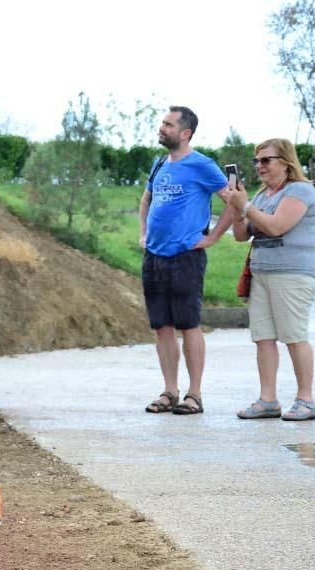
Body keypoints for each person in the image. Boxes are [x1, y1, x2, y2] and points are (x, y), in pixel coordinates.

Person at [140, 106, 235, 415]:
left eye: (168, 124)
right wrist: (144, 235)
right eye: (162, 123)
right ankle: (170, 391)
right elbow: (146, 199)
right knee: (162, 327)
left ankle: (194, 394)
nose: (162, 128)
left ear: (186, 133)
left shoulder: (202, 165)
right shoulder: (159, 164)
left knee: (189, 325)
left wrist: (213, 237)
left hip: (186, 257)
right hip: (154, 257)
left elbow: (233, 201)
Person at [223, 138, 315, 421]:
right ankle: (268, 400)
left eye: (267, 160)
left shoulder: (300, 190)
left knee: (294, 336)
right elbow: (243, 235)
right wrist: (236, 208)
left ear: (286, 162)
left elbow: (277, 226)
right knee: (263, 338)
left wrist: (246, 206)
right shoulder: (263, 195)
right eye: (257, 161)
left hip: (292, 275)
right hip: (262, 274)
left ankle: (306, 399)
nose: (260, 166)